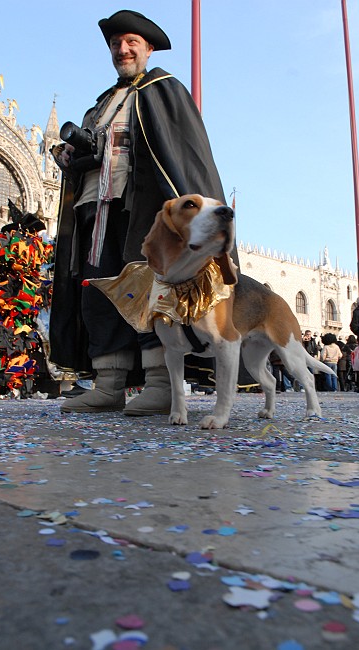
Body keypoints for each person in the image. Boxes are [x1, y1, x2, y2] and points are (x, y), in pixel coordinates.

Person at [49, 10, 226, 415]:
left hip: (141, 206)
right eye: (116, 44)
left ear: (146, 48)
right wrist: (72, 156)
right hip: (93, 207)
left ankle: (162, 382)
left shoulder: (162, 89)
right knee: (97, 290)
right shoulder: (101, 103)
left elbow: (181, 153)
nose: (122, 50)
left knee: (146, 288)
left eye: (131, 43)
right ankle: (108, 383)